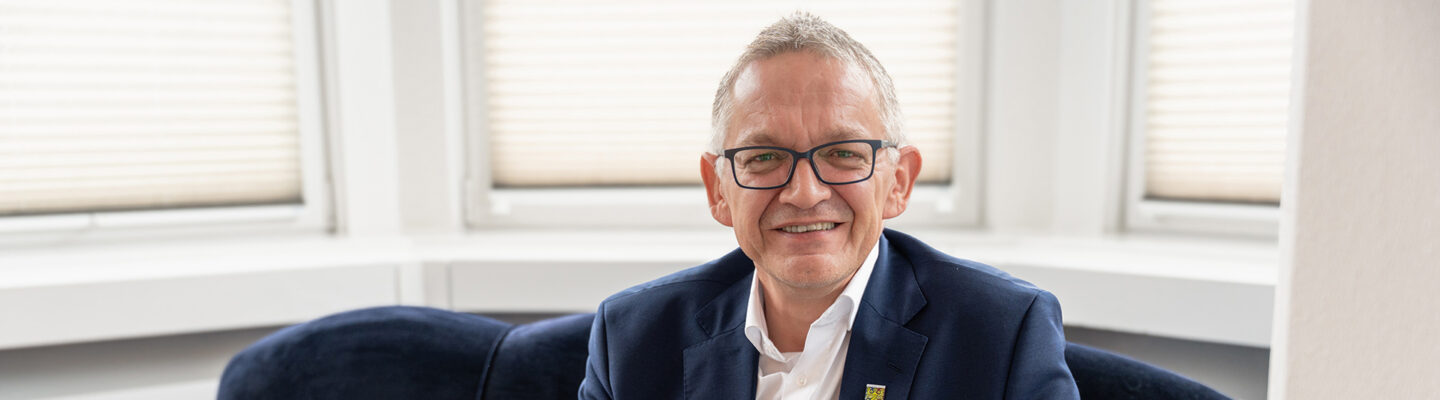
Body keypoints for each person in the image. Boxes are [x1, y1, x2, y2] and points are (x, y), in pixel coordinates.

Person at [578, 12, 1079, 400]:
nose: (804, 192)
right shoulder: (631, 338)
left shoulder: (1004, 331)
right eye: (765, 156)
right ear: (718, 189)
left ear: (898, 182)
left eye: (842, 153)